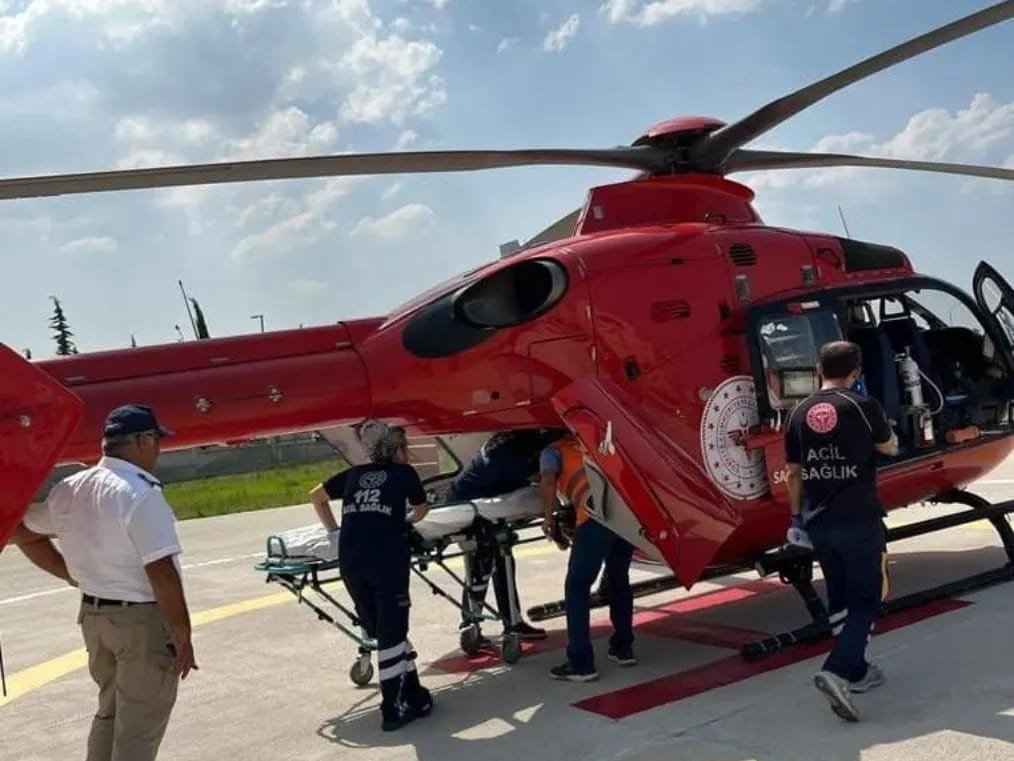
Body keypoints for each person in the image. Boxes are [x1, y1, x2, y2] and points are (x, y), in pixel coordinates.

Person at [10, 403, 197, 761]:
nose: (158, 448)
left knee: (109, 715)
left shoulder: (69, 488)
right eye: (156, 440)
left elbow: (23, 532)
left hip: (95, 619)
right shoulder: (140, 494)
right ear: (141, 441)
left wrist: (71, 574)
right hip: (140, 623)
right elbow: (162, 573)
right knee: (139, 727)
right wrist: (183, 635)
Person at [784, 341, 898, 722]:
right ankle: (837, 670)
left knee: (839, 599)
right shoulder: (863, 407)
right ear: (857, 372)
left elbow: (793, 473)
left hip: (819, 523)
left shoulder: (798, 413)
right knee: (868, 600)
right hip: (859, 519)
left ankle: (859, 670)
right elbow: (888, 447)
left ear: (819, 368)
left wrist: (796, 519)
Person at [307, 420, 434, 732]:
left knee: (383, 627)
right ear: (398, 450)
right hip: (385, 558)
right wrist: (400, 520)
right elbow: (421, 510)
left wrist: (334, 532)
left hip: (350, 558)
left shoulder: (354, 474)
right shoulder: (405, 474)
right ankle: (393, 708)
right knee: (392, 631)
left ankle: (414, 693)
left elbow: (316, 496)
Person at [443, 430, 559, 645]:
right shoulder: (519, 461)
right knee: (492, 562)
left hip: (460, 501)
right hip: (474, 511)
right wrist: (551, 518)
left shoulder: (503, 444)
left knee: (479, 565)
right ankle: (509, 624)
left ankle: (473, 624)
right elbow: (545, 482)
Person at [539, 434, 635, 682]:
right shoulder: (594, 438)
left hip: (594, 519)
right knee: (618, 580)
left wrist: (548, 519)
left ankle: (581, 663)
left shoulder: (552, 451)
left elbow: (548, 480)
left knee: (577, 587)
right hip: (625, 514)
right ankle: (623, 648)